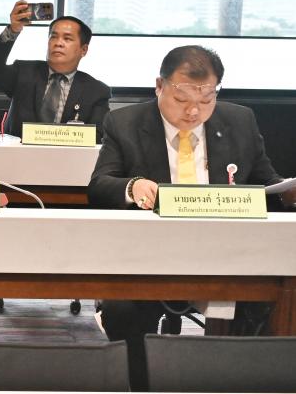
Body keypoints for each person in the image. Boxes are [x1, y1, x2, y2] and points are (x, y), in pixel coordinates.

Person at [88, 44, 288, 391]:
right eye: (181, 100)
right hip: (148, 257)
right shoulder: (125, 122)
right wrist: (132, 186)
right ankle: (140, 384)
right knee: (123, 310)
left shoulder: (240, 120)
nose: (194, 111)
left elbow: (266, 182)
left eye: (206, 100)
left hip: (229, 255)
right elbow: (99, 186)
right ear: (159, 86)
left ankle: (234, 381)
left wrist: (287, 191)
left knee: (268, 300)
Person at [0, 0, 111, 140]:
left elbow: (98, 137)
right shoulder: (23, 72)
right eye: (53, 37)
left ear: (83, 50)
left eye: (67, 38)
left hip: (67, 154)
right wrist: (13, 30)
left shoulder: (96, 91)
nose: (58, 43)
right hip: (19, 152)